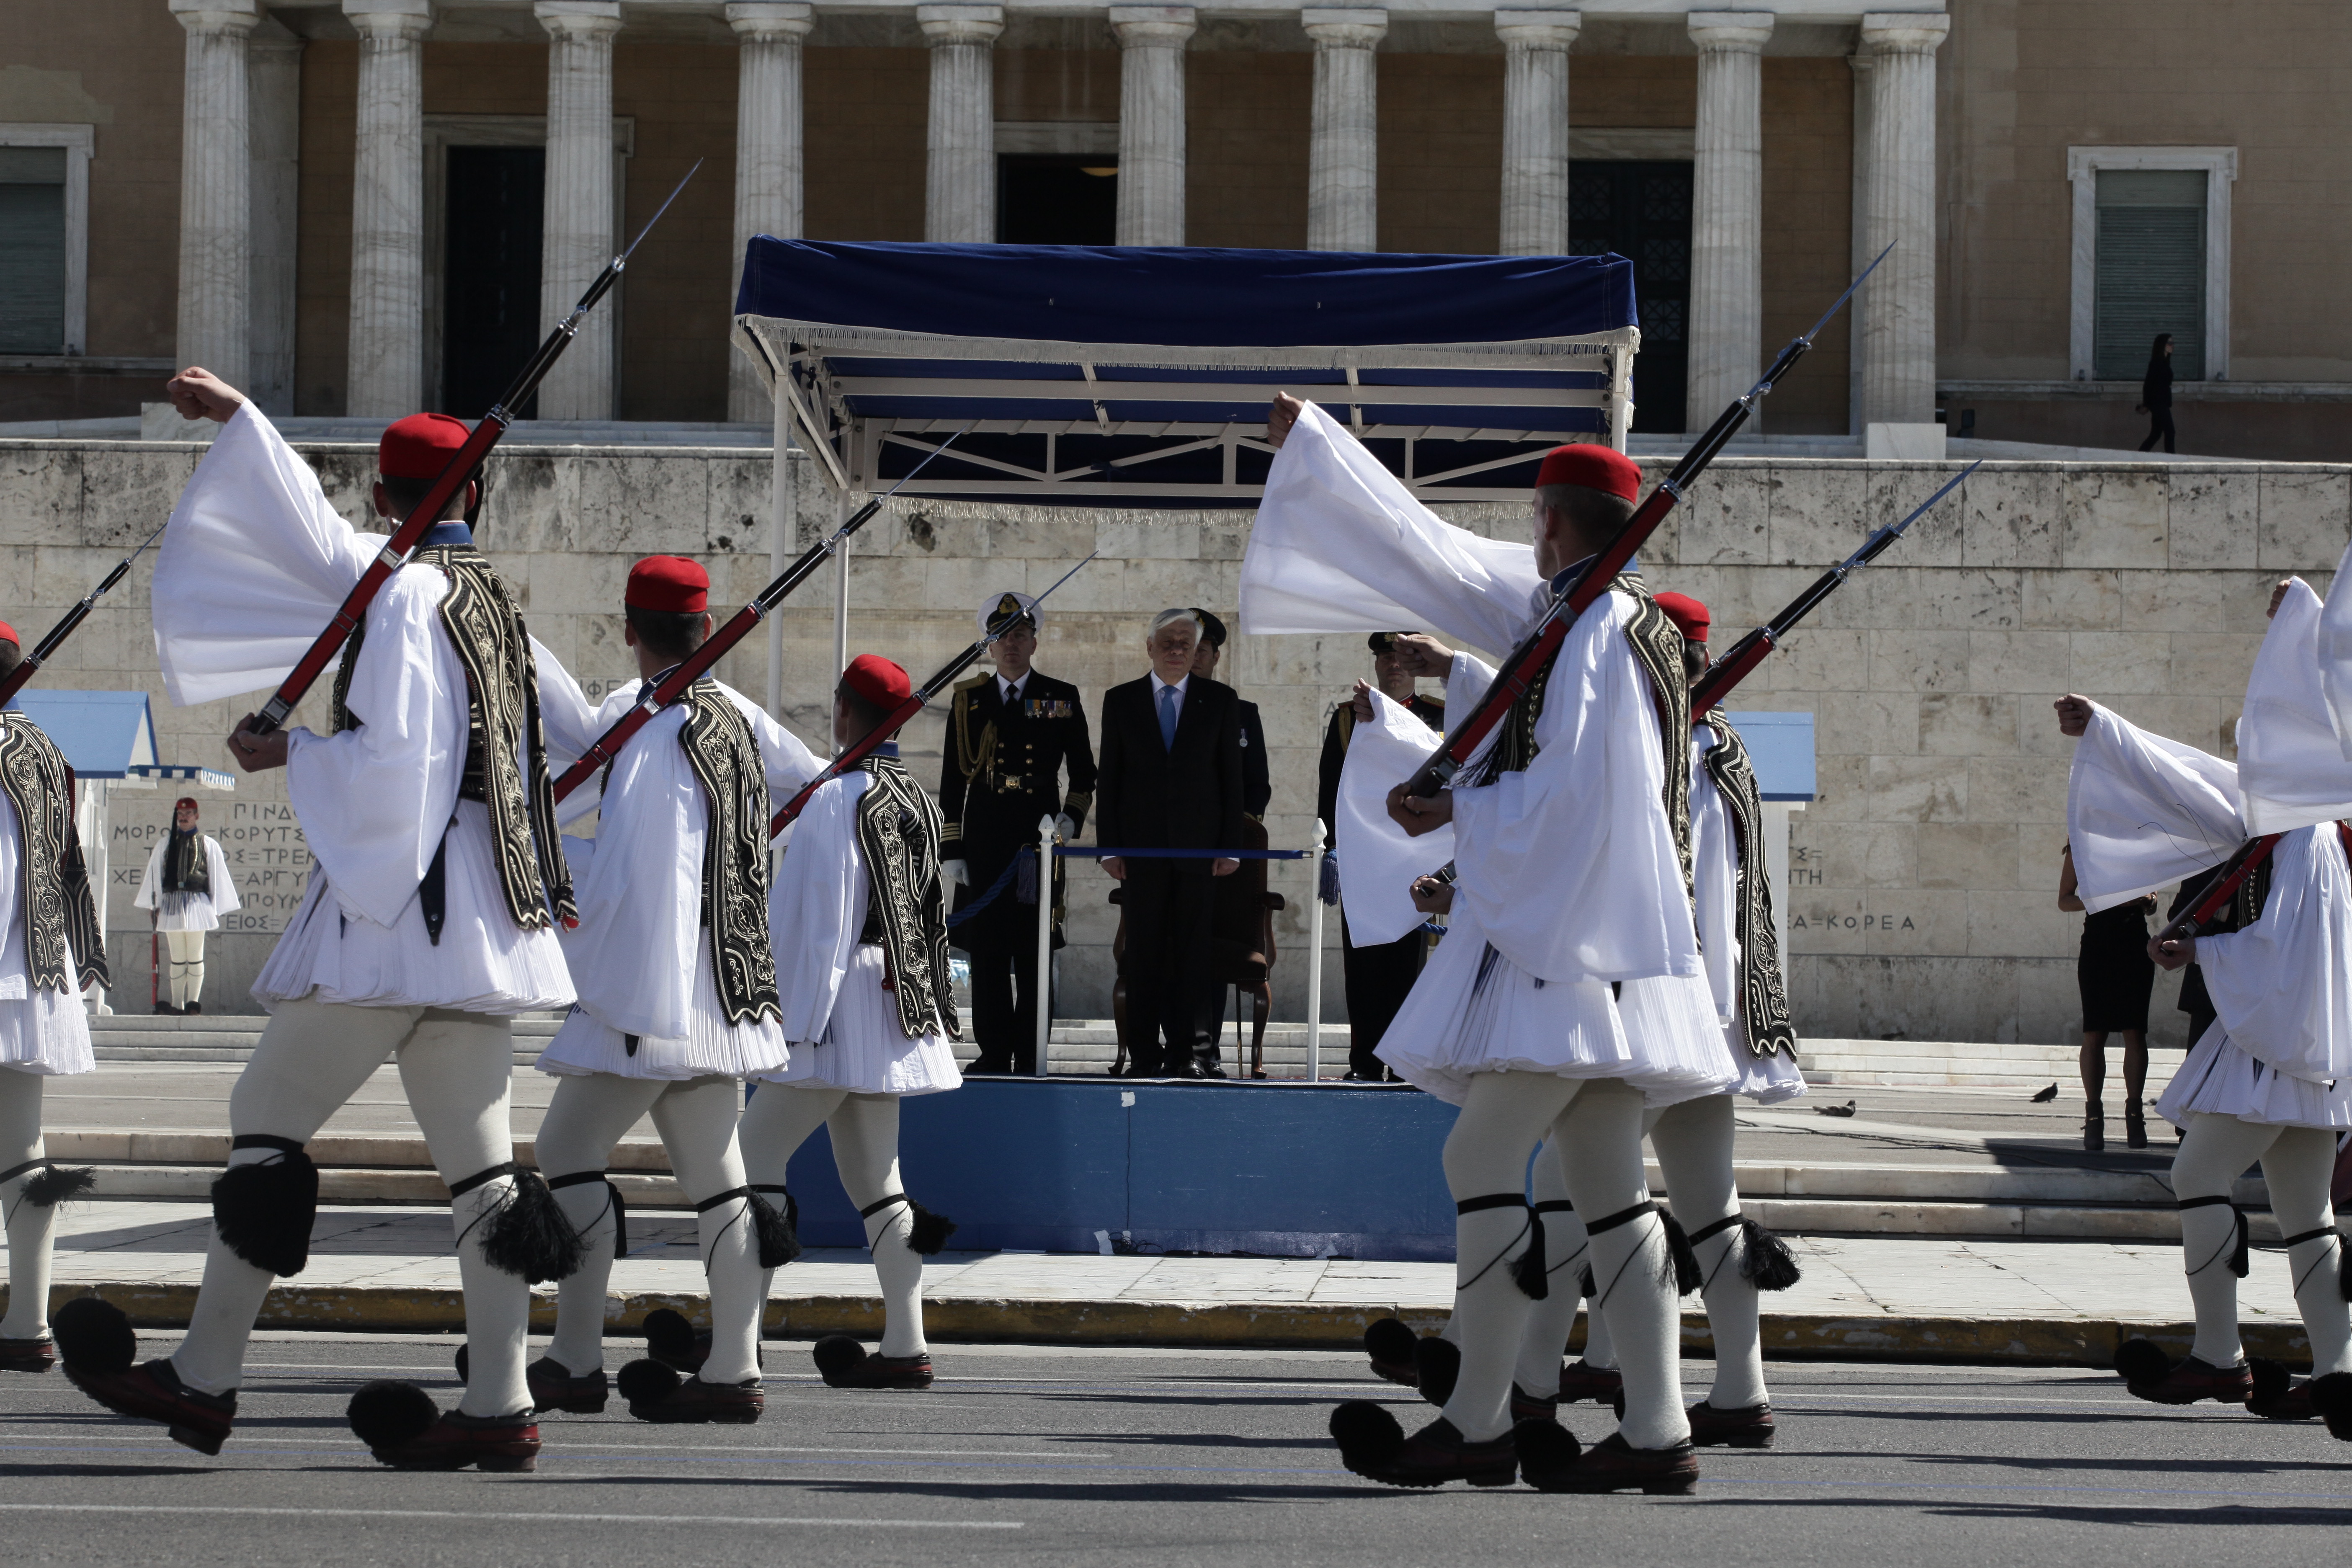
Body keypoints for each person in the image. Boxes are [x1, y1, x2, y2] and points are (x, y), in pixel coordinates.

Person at [62, 369, 578, 1471]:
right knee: (485, 1172)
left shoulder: (403, 600)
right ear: (472, 496)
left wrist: (289, 749)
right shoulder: (494, 608)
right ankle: (500, 1402)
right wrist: (251, 417)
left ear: (388, 501)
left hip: (398, 921)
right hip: (478, 926)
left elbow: (396, 768)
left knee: (267, 1118)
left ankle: (204, 1379)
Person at [1248, 397, 1735, 1495]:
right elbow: (1511, 684)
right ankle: (1659, 1433)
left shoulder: (1598, 636)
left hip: (1565, 951)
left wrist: (1457, 808)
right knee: (1612, 1196)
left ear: (1556, 529)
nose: (1526, 541)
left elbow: (1573, 794)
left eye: (1534, 523)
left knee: (1478, 1161)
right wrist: (1454, 736)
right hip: (1603, 964)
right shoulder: (1600, 624)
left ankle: (1479, 1419)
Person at [1500, 590, 1807, 1450]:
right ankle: (1741, 1392)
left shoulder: (1668, 756)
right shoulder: (1724, 749)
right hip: (1712, 1021)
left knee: (1569, 1201)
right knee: (1714, 1213)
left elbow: (1656, 885)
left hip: (1660, 1012)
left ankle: (1526, 1384)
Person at [522, 555, 823, 1424]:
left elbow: (636, 871)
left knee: (566, 1154)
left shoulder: (642, 721)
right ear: (705, 627)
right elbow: (809, 785)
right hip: (723, 990)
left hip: (655, 994)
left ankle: (577, 1358)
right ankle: (733, 1369)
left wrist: (612, 977)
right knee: (723, 1188)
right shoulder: (737, 716)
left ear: (629, 628)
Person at [2055, 570, 2352, 1437]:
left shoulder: (2306, 837)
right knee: (2306, 1214)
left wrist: (2197, 948)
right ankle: (2337, 1372)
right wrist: (2106, 728)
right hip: (2308, 1047)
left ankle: (2219, 1356)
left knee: (2198, 1174)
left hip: (2276, 1039)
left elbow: (2283, 948)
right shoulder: (2306, 819)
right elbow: (2190, 779)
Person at [738, 655, 964, 1391]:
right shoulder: (918, 799)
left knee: (748, 1161)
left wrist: (785, 1023)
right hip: (890, 1005)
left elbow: (814, 924)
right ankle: (906, 1342)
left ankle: (739, 1340)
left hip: (832, 1005)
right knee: (878, 1181)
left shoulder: (837, 798)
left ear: (843, 711)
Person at [0, 621, 109, 1375]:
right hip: (33, 971)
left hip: (6, 967)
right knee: (20, 1153)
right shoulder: (38, 746)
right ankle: (28, 1321)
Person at [938, 591, 1095, 1075]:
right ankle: (993, 1050)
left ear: (1034, 642)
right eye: (1002, 636)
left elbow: (1085, 771)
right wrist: (952, 847)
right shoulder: (969, 700)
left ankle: (1030, 1052)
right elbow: (951, 781)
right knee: (987, 953)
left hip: (1036, 841)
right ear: (989, 643)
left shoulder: (1060, 696)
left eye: (1021, 635)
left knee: (1033, 950)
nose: (1011, 644)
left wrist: (1071, 817)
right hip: (985, 840)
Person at [1095, 610, 1245, 1078]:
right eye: (1169, 641)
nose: (1178, 648)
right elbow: (1111, 778)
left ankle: (1190, 1052)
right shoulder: (1121, 700)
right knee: (1143, 951)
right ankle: (1143, 1053)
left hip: (1198, 851)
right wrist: (1109, 847)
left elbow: (1231, 781)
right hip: (1140, 851)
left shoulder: (1219, 700)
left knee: (1192, 952)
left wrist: (1230, 847)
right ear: (1150, 646)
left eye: (1186, 642)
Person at [1318, 633, 1446, 1079]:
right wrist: (1332, 848)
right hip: (1365, 859)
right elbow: (1331, 789)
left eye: (1401, 657)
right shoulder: (1346, 720)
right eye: (1384, 657)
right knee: (1365, 964)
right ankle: (1366, 1062)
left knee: (1413, 968)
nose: (1393, 664)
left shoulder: (1439, 716)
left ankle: (1408, 1063)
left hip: (1419, 857)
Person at [2058, 844, 2156, 1149]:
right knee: (2094, 1032)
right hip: (2099, 946)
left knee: (2135, 1031)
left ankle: (2135, 1114)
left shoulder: (2140, 844)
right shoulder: (2080, 849)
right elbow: (2064, 901)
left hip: (2134, 945)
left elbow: (2153, 904)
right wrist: (2103, 900)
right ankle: (2094, 1118)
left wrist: (2147, 900)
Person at [134, 797, 240, 1015]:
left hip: (196, 903)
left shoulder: (208, 844)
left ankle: (193, 1003)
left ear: (197, 816)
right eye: (180, 815)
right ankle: (177, 1004)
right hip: (172, 903)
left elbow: (216, 876)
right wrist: (155, 904)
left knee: (195, 955)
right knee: (178, 958)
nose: (183, 818)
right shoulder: (164, 844)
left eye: (188, 814)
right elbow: (156, 875)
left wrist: (214, 906)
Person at [1190, 611, 1271, 820]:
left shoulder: (1243, 712)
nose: (1194, 657)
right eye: (1189, 649)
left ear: (1216, 657)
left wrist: (1245, 824)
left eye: (1202, 650)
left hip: (1224, 828)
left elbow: (1256, 780)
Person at [2136, 333, 2176, 454]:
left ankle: (2139, 455)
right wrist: (2147, 404)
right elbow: (2149, 385)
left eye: (2172, 343)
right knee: (2170, 431)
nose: (2172, 346)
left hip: (2162, 402)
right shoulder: (2157, 363)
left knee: (2156, 434)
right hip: (2159, 403)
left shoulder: (2164, 362)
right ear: (2162, 345)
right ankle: (2172, 459)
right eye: (2169, 343)